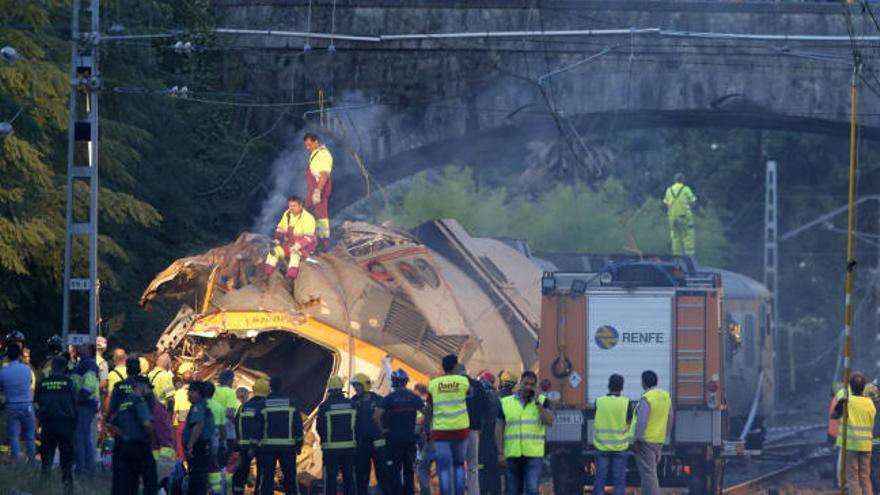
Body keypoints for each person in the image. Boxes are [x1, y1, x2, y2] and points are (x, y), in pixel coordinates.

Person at [495, 371, 553, 495]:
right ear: (520, 383)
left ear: (535, 387)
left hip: (533, 455)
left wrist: (537, 403)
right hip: (512, 454)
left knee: (532, 490)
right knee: (514, 491)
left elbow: (549, 421)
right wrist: (500, 452)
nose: (528, 387)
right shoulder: (506, 402)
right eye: (526, 383)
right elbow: (499, 428)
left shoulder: (542, 401)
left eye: (532, 385)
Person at [426, 354, 470, 495]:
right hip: (460, 431)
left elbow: (430, 407)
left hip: (441, 432)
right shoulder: (463, 382)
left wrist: (427, 430)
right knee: (459, 466)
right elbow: (468, 394)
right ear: (455, 366)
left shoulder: (433, 384)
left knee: (444, 468)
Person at [376, 369, 424, 495]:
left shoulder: (389, 399)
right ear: (406, 382)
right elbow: (428, 413)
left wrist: (383, 430)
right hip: (409, 439)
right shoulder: (414, 398)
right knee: (409, 469)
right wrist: (423, 427)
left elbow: (376, 416)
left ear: (394, 382)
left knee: (394, 469)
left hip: (393, 440)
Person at [36, 355, 77, 492]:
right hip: (65, 425)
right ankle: (68, 490)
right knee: (66, 462)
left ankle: (44, 488)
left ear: (52, 367)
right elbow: (74, 404)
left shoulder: (43, 383)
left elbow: (37, 404)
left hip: (48, 424)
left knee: (46, 460)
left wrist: (39, 421)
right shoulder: (69, 383)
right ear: (65, 368)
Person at [111, 376, 158, 495]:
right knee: (150, 479)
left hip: (126, 446)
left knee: (129, 481)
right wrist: (151, 438)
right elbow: (147, 424)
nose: (149, 391)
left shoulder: (124, 403)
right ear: (141, 385)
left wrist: (126, 435)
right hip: (140, 445)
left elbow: (113, 422)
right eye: (148, 388)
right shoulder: (139, 401)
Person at [832, 371, 876, 495]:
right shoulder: (870, 402)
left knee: (853, 478)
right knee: (865, 477)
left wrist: (842, 402)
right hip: (867, 445)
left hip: (851, 445)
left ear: (850, 386)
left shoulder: (847, 401)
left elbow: (834, 415)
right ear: (864, 387)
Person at [258, 376, 303, 495]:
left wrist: (256, 445)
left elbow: (258, 427)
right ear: (282, 387)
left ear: (270, 388)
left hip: (268, 448)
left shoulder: (263, 404)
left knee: (267, 478)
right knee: (290, 478)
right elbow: (298, 425)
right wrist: (299, 444)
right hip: (287, 447)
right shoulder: (291, 403)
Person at [351, 372, 394, 495]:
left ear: (365, 385)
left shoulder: (380, 401)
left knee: (383, 475)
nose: (355, 388)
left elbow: (388, 421)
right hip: (361, 446)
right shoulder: (352, 402)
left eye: (358, 385)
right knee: (361, 477)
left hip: (378, 446)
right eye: (354, 386)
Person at [631, 370, 673, 495]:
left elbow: (642, 420)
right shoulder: (665, 396)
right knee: (648, 474)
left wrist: (637, 438)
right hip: (658, 441)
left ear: (643, 383)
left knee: (649, 475)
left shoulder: (647, 398)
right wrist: (666, 434)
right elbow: (670, 417)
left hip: (645, 441)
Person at [593, 374, 634, 495]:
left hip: (602, 446)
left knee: (600, 479)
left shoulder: (599, 401)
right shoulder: (627, 403)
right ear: (622, 387)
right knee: (619, 481)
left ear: (608, 385)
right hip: (620, 447)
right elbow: (630, 421)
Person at [317, 375, 357, 495]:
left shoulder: (324, 406)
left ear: (329, 389)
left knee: (330, 478)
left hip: (331, 449)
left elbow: (320, 427)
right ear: (341, 388)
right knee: (349, 477)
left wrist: (324, 441)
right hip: (349, 448)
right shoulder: (351, 404)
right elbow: (357, 425)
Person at [264, 195, 317, 280]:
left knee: (294, 256)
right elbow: (280, 228)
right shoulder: (287, 214)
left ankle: (291, 278)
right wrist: (277, 238)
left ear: (301, 206)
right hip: (288, 245)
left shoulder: (309, 218)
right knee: (273, 252)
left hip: (304, 248)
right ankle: (268, 274)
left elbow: (309, 237)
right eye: (290, 205)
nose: (291, 208)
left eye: (294, 206)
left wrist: (298, 246)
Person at [0, 342, 36, 464]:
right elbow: (30, 382)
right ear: (20, 355)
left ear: (7, 355)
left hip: (11, 406)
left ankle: (17, 462)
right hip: (27, 405)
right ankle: (32, 461)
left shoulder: (3, 372)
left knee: (14, 436)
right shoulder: (27, 369)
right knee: (30, 436)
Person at [233, 378, 268, 495]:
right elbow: (262, 427)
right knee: (262, 471)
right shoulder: (264, 407)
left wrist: (238, 444)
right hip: (260, 445)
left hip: (243, 446)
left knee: (241, 471)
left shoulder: (243, 407)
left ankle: (237, 491)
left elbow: (237, 425)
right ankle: (258, 492)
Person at [71, 343, 101, 477]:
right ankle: (89, 468)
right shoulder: (81, 363)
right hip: (85, 403)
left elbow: (89, 386)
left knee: (79, 435)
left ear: (89, 350)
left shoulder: (88, 364)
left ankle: (81, 468)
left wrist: (78, 399)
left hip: (85, 403)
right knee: (85, 436)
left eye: (83, 346)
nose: (79, 348)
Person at [303, 132, 333, 251]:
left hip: (320, 186)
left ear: (316, 142)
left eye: (309, 145)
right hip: (314, 187)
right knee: (308, 213)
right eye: (306, 145)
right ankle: (310, 239)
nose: (307, 148)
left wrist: (317, 191)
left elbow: (324, 175)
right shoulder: (316, 153)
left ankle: (323, 242)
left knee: (321, 214)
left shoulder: (324, 155)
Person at [184, 381, 215, 495]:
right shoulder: (202, 405)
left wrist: (190, 445)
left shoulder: (198, 406)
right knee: (199, 478)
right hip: (202, 446)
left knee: (197, 480)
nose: (188, 395)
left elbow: (198, 425)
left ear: (197, 392)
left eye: (191, 392)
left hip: (198, 447)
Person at [477, 370, 503, 495]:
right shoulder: (498, 397)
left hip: (483, 438)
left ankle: (482, 490)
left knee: (481, 466)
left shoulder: (480, 396)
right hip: (496, 438)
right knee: (494, 468)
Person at [663, 172, 697, 256]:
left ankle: (676, 257)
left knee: (675, 237)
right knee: (687, 236)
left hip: (672, 217)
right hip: (684, 216)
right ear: (683, 180)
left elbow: (666, 203)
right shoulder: (685, 189)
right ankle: (689, 257)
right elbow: (693, 201)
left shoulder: (668, 190)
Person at [205, 381, 229, 495]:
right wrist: (224, 441)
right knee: (214, 466)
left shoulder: (199, 405)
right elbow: (222, 427)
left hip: (200, 442)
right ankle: (216, 491)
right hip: (214, 442)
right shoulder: (218, 406)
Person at [413, 382, 434, 495]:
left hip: (427, 438)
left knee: (422, 467)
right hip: (428, 437)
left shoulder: (426, 404)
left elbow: (423, 419)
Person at [174, 361, 195, 460]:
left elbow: (175, 412)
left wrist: (173, 425)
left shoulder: (178, 393)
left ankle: (182, 469)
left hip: (182, 424)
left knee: (180, 448)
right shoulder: (197, 393)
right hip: (194, 424)